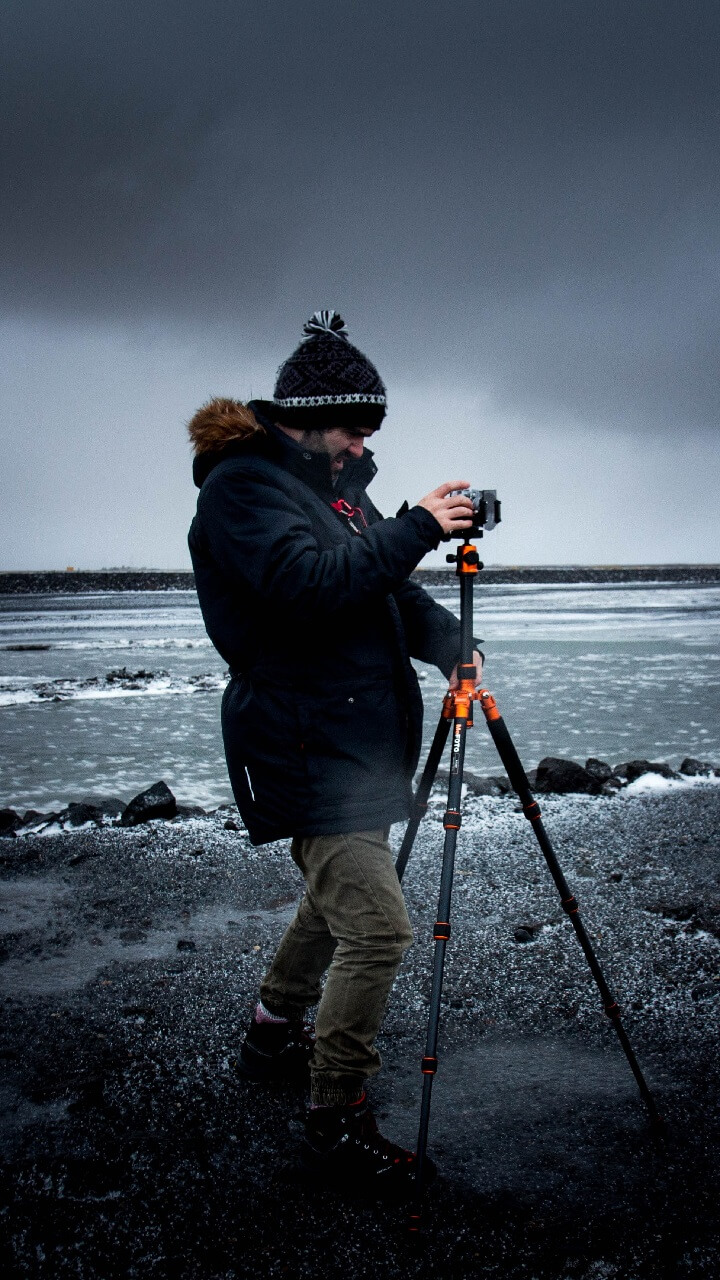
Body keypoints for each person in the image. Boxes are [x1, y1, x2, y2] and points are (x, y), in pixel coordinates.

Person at [187, 310, 483, 1194]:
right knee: (381, 928)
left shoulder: (333, 491)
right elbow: (309, 588)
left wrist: (448, 646)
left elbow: (379, 594)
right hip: (304, 738)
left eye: (369, 431)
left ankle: (272, 1030)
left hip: (353, 737)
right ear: (305, 417)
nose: (364, 443)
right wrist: (419, 526)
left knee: (342, 894)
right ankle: (335, 1121)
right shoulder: (243, 490)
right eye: (355, 426)